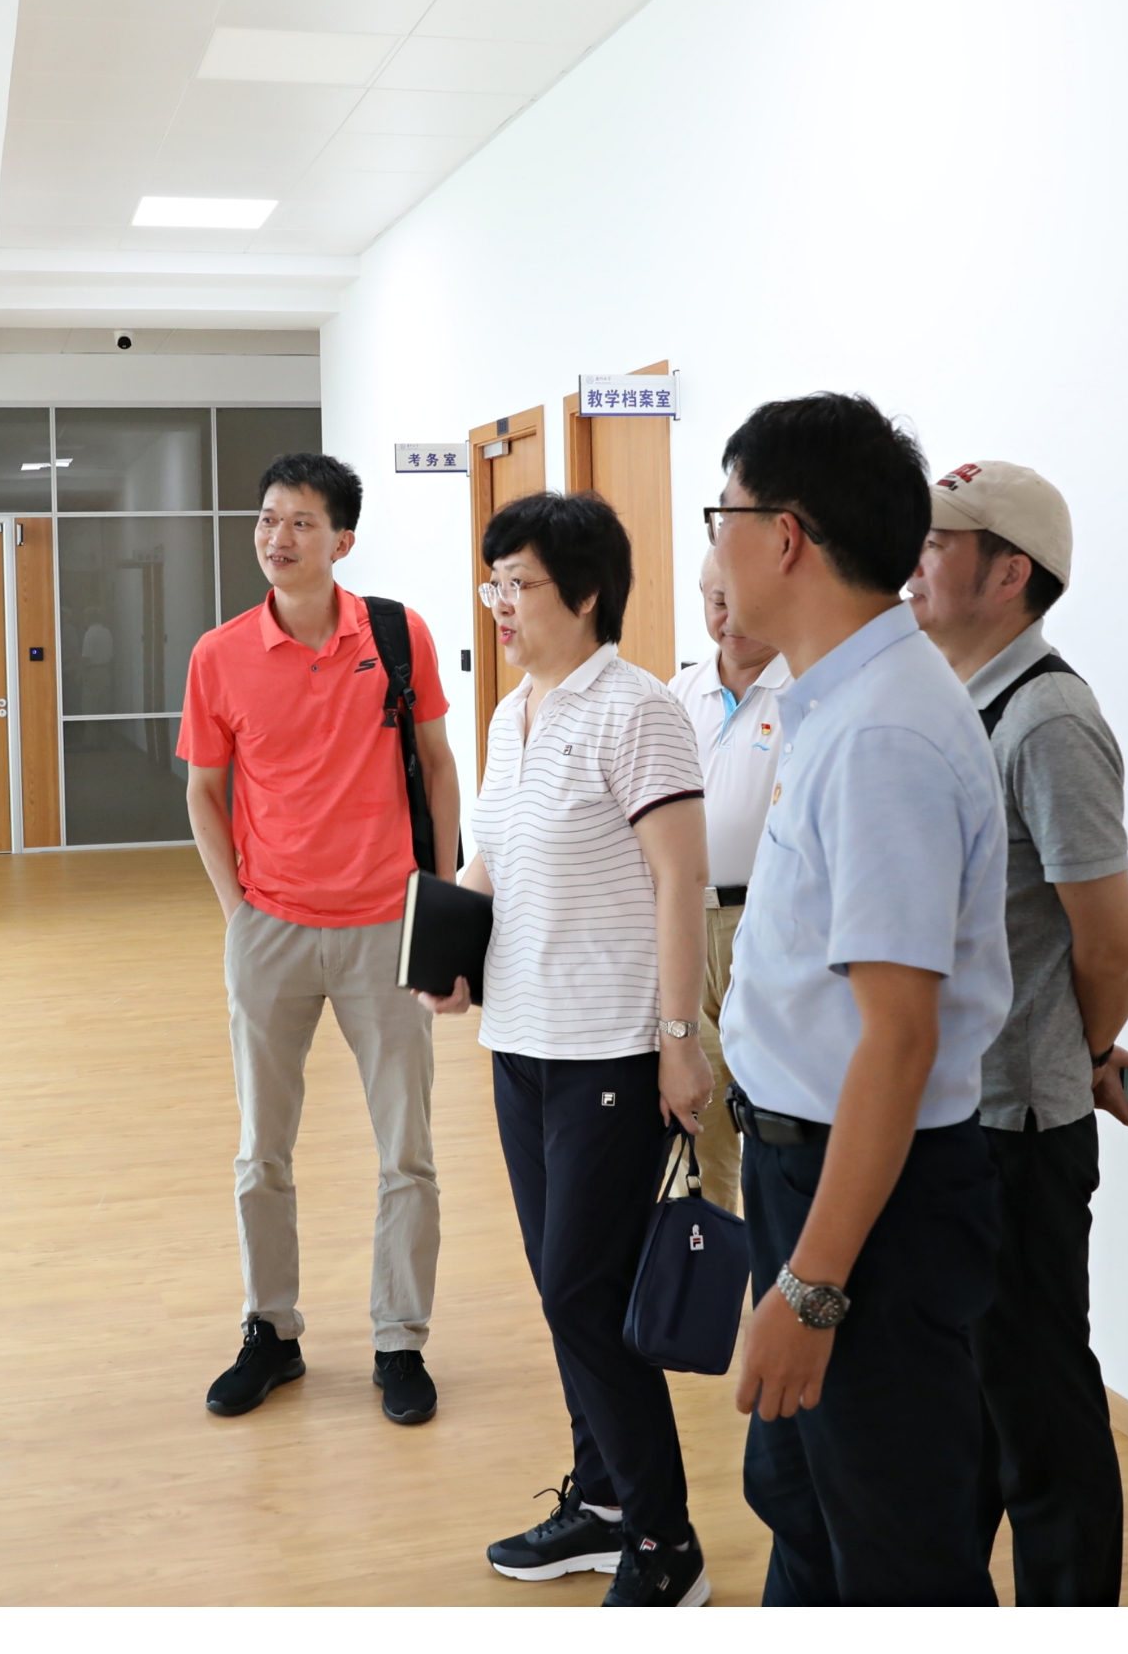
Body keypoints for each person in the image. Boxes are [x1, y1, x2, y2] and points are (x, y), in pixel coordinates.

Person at [705, 394, 1015, 1605]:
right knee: (805, 1507)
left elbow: (898, 1039)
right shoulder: (836, 701)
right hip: (815, 1176)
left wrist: (813, 1286)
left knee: (898, 1560)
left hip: (869, 1209)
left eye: (725, 514)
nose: (715, 546)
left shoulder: (885, 733)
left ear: (785, 536)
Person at [443, 492, 716, 1605]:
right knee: (566, 1292)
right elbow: (492, 864)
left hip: (611, 1049)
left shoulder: (636, 710)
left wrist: (678, 1041)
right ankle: (601, 1503)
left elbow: (681, 880)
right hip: (521, 1043)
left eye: (520, 584)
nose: (501, 604)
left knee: (580, 1294)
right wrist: (448, 948)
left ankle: (666, 1545)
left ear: (588, 593)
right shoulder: (512, 714)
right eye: (494, 583)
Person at [907, 460, 1128, 1606]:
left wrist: (1082, 1054)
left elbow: (1111, 941)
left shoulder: (1049, 720)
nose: (914, 560)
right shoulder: (956, 697)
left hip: (1020, 1127)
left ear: (1008, 573)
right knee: (968, 1412)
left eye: (938, 541)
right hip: (962, 1110)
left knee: (1040, 1417)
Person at [180, 451, 457, 1428]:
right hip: (272, 933)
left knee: (407, 1151)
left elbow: (436, 765)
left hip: (385, 928)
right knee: (262, 1150)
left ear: (342, 540)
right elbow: (204, 792)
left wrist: (438, 901)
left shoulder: (397, 634)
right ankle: (271, 1330)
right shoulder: (220, 655)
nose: (278, 537)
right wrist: (240, 913)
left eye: (301, 521)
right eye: (268, 518)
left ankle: (400, 1339)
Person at [667, 551, 793, 1217]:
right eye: (715, 600)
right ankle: (716, 1265)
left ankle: (778, 1272)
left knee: (771, 1115)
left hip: (766, 924)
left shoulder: (804, 689)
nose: (728, 617)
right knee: (703, 1116)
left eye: (740, 600)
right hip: (685, 922)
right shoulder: (678, 692)